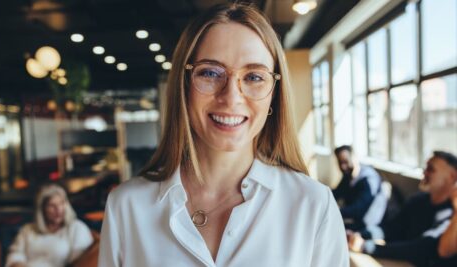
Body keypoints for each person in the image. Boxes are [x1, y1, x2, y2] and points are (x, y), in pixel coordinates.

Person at [98, 3, 348, 267]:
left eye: (253, 77)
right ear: (184, 87)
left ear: (274, 93)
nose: (231, 98)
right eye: (210, 72)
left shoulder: (313, 205)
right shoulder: (126, 207)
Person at [347, 151, 457, 267]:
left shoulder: (451, 214)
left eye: (431, 169)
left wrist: (366, 247)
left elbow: (422, 247)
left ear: (452, 177)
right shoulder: (418, 200)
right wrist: (360, 234)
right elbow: (391, 228)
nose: (424, 172)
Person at [6, 184, 93, 267]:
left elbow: (82, 262)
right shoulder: (28, 230)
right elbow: (15, 255)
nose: (58, 210)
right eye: (52, 205)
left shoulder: (77, 228)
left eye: (61, 203)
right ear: (42, 209)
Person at [333, 145, 385, 230]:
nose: (343, 167)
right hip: (355, 221)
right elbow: (337, 193)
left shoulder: (368, 180)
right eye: (340, 163)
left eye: (346, 162)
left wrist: (335, 211)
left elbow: (358, 210)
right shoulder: (348, 176)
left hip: (370, 226)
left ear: (354, 158)